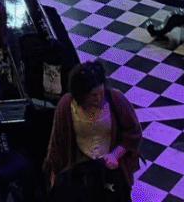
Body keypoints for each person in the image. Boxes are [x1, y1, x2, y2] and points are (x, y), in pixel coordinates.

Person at [42, 60, 142, 200]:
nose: (98, 98)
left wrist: (115, 155)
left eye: (100, 92)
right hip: (81, 174)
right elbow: (58, 145)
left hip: (110, 172)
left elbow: (133, 133)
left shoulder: (116, 99)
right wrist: (54, 179)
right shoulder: (66, 105)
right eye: (93, 96)